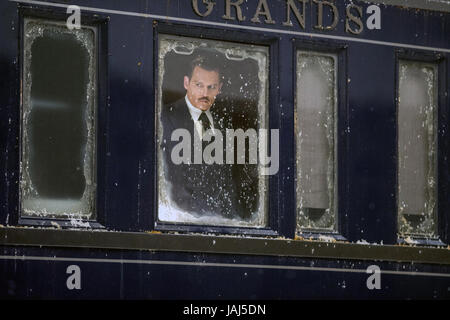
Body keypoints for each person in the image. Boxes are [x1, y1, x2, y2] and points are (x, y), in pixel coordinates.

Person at [160, 51, 241, 218]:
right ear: (186, 83)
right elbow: (167, 181)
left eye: (211, 87)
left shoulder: (223, 125)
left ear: (219, 88)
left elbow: (228, 184)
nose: (205, 93)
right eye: (199, 85)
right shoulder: (165, 118)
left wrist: (231, 221)